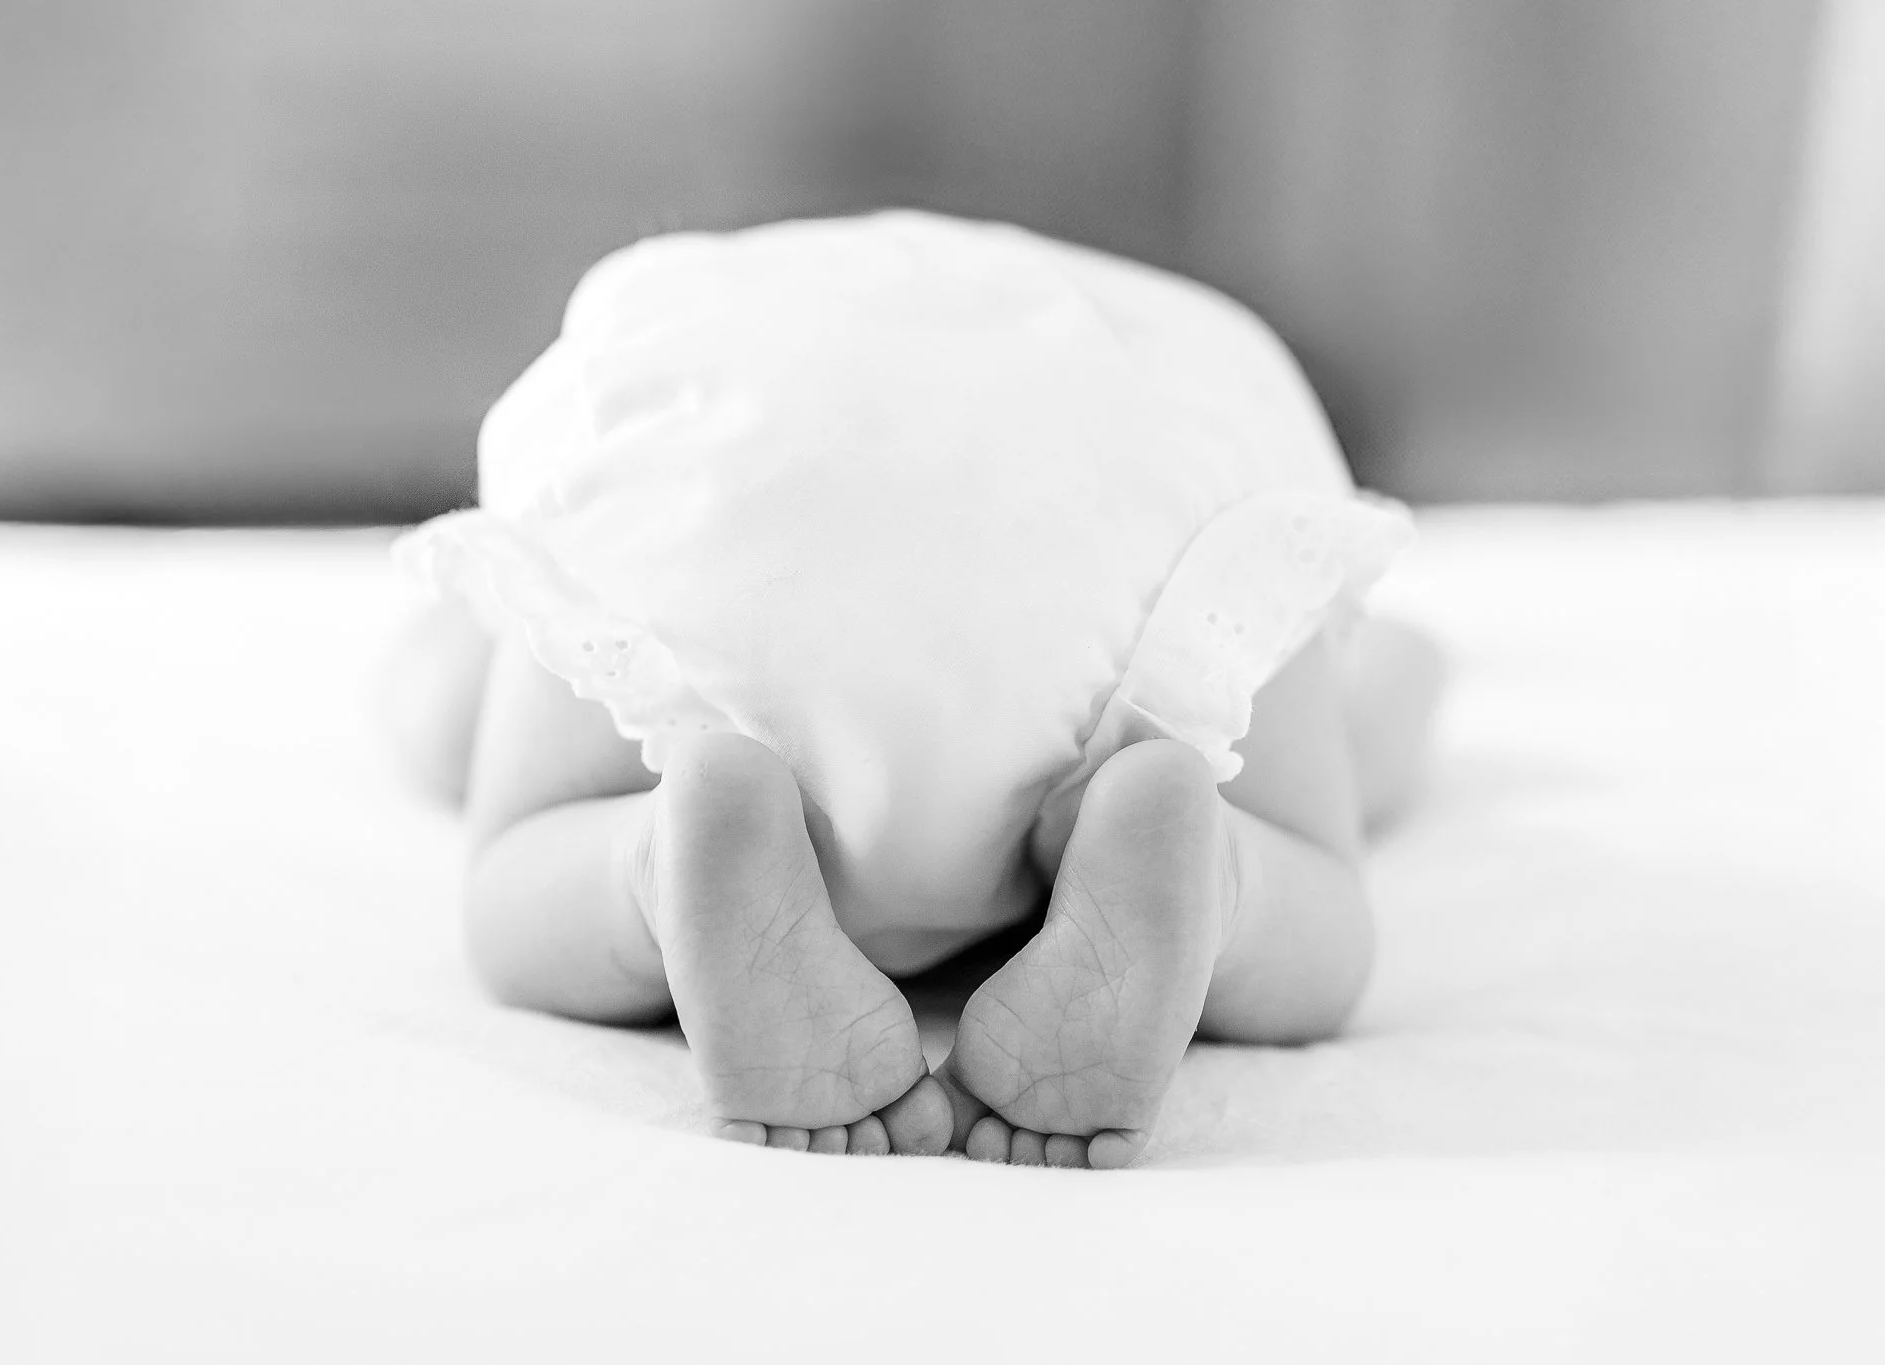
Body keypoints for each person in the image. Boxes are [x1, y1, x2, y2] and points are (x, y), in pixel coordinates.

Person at [381, 212, 1444, 1167]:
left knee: (489, 791)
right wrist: (1408, 681)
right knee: (1315, 864)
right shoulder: (1197, 388)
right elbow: (1394, 686)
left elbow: (435, 681)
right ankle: (1213, 871)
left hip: (708, 474)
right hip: (1157, 490)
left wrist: (440, 690)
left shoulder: (685, 348)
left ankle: (657, 858)